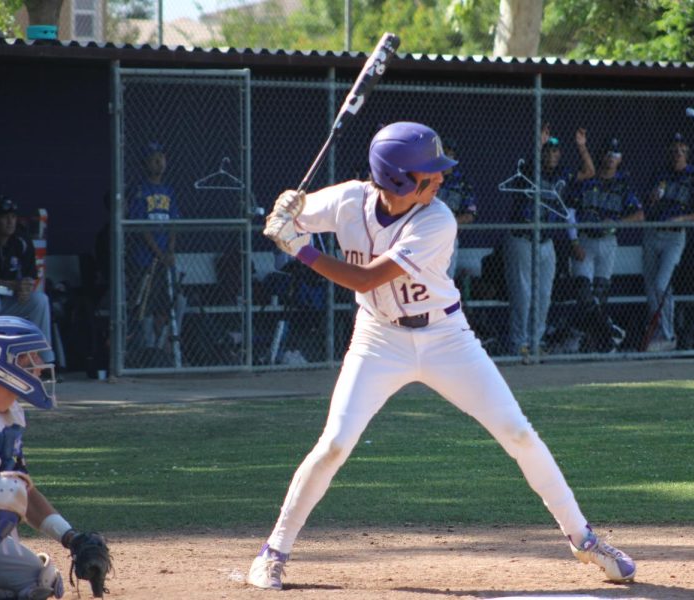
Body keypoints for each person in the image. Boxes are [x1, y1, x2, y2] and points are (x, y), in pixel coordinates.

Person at [248, 121, 636, 590]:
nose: (440, 179)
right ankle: (274, 550)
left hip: (446, 337)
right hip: (378, 340)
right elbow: (294, 216)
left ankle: (585, 539)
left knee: (518, 431)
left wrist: (300, 249)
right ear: (396, 180)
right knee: (333, 444)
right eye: (428, 175)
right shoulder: (350, 199)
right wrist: (288, 209)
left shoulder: (437, 220)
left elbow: (368, 278)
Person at [0, 316, 111, 598]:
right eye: (29, 357)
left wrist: (71, 538)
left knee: (41, 581)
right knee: (4, 489)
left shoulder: (11, 413)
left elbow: (25, 493)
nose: (39, 365)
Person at [504, 125, 588, 362]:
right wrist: (539, 143)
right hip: (521, 238)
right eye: (547, 151)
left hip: (546, 242)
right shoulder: (529, 170)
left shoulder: (562, 175)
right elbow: (529, 166)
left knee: (543, 295)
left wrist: (581, 147)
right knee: (522, 295)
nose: (551, 155)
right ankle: (518, 344)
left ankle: (535, 342)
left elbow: (589, 171)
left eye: (555, 151)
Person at [570, 136, 644, 352]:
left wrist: (618, 221)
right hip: (584, 239)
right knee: (584, 295)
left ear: (620, 159)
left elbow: (640, 214)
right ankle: (610, 331)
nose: (611, 158)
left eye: (615, 155)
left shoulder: (623, 184)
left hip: (608, 241)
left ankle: (594, 342)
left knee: (600, 295)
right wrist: (573, 241)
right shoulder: (587, 179)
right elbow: (571, 212)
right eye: (608, 154)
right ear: (601, 156)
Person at [641, 133, 694, 352]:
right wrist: (653, 196)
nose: (678, 154)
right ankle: (659, 333)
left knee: (662, 285)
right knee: (652, 289)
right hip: (652, 233)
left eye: (682, 150)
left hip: (675, 236)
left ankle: (668, 335)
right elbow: (646, 204)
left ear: (687, 152)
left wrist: (681, 218)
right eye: (674, 149)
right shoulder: (660, 173)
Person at [126, 142, 186, 366]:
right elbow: (141, 227)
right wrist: (159, 253)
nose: (159, 162)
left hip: (165, 260)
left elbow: (173, 224)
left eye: (161, 157)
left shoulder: (169, 190)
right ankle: (148, 352)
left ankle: (167, 350)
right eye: (153, 158)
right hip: (145, 259)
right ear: (145, 163)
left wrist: (169, 251)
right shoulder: (140, 190)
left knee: (175, 301)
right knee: (146, 305)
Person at [0, 195, 55, 364]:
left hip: (8, 300)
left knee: (40, 300)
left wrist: (26, 288)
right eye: (4, 217)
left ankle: (42, 360)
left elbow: (30, 275)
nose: (10, 222)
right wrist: (13, 285)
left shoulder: (21, 240)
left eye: (13, 217)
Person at [437, 139, 478, 279]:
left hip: (449, 237)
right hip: (427, 234)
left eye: (450, 154)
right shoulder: (428, 178)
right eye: (443, 154)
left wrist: (447, 224)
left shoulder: (462, 182)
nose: (446, 157)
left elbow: (470, 214)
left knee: (445, 279)